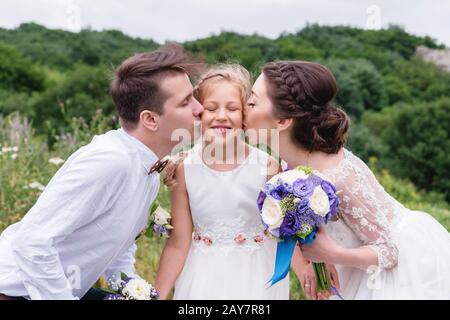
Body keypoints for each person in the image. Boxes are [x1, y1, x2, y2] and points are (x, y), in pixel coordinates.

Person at [0, 44, 204, 300]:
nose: (200, 109)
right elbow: (31, 243)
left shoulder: (149, 166)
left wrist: (134, 291)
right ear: (150, 119)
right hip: (17, 292)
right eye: (186, 102)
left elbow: (116, 248)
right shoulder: (109, 162)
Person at [244, 60, 450, 299]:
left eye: (253, 101)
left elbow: (390, 252)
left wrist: (331, 255)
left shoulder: (340, 178)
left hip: (399, 272)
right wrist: (312, 264)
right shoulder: (286, 164)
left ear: (281, 121)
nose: (243, 107)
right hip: (354, 267)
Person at [154, 64, 291, 300]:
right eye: (211, 108)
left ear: (245, 115)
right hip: (203, 278)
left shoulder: (267, 166)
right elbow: (179, 242)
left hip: (257, 276)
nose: (221, 116)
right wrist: (155, 295)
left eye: (232, 108)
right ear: (199, 113)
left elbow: (286, 232)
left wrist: (309, 272)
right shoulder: (185, 170)